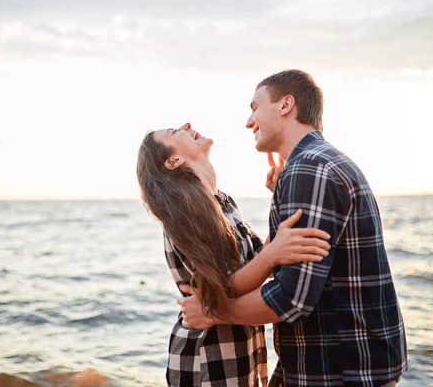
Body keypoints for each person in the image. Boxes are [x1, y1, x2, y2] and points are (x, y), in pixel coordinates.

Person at [177, 70, 408, 387]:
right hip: (338, 362)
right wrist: (285, 197)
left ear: (286, 104)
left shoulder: (309, 169)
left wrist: (216, 313)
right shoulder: (320, 163)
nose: (249, 121)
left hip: (340, 371)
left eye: (255, 107)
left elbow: (292, 298)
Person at [136, 122, 331, 387]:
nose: (187, 125)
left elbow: (260, 259)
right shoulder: (184, 209)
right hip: (207, 359)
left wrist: (282, 195)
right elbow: (223, 286)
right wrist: (271, 255)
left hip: (238, 351)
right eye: (173, 131)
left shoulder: (221, 201)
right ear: (174, 160)